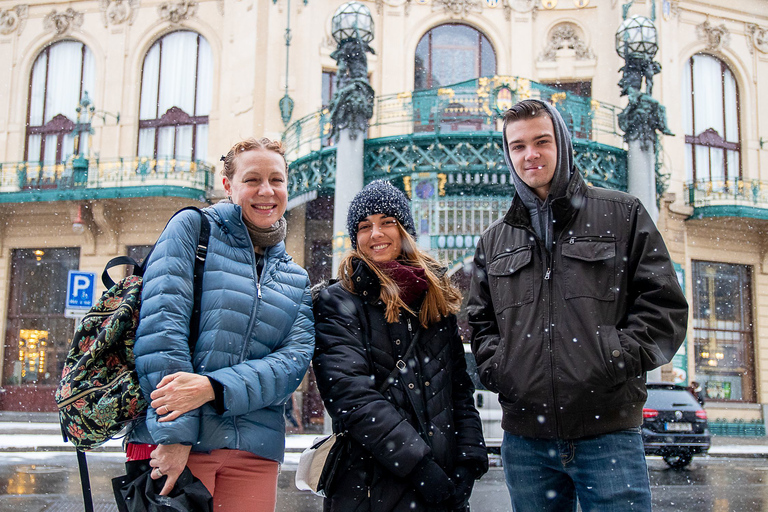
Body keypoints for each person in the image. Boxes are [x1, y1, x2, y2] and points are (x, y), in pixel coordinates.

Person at [467, 99, 688, 512]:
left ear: (563, 145)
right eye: (517, 146)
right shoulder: (495, 239)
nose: (529, 154)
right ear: (508, 153)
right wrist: (502, 369)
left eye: (541, 141)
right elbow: (480, 322)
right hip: (526, 442)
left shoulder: (621, 214)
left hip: (607, 434)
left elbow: (664, 306)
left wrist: (615, 359)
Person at [126, 137, 315, 511]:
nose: (266, 191)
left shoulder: (295, 276)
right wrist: (176, 435)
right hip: (179, 442)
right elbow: (162, 335)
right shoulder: (193, 231)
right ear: (228, 186)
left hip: (255, 449)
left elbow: (293, 364)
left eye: (276, 180)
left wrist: (213, 387)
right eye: (252, 180)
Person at [313, 180, 489, 512]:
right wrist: (420, 467)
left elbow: (458, 389)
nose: (375, 233)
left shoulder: (432, 296)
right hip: (368, 486)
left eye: (386, 222)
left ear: (404, 229)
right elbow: (351, 395)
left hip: (443, 485)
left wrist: (468, 462)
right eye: (364, 227)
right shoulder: (337, 301)